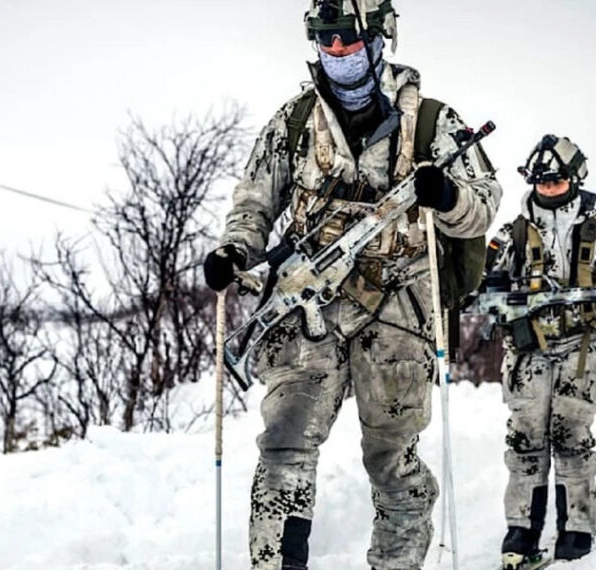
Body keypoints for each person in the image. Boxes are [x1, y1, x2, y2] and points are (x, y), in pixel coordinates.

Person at [201, 1, 502, 568]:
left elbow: (483, 205)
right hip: (307, 308)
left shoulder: (432, 122)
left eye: (348, 39)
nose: (337, 50)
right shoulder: (294, 121)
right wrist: (234, 250)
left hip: (398, 311)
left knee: (393, 457)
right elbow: (254, 201)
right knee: (285, 444)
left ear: (379, 38)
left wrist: (446, 196)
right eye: (327, 39)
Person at [482, 135, 596, 567]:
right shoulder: (514, 232)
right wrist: (497, 298)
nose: (549, 189)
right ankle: (522, 527)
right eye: (541, 182)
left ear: (574, 179)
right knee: (525, 436)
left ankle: (577, 527)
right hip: (528, 349)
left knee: (571, 435)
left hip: (583, 347)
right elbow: (486, 283)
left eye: (556, 181)